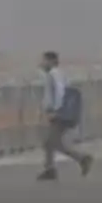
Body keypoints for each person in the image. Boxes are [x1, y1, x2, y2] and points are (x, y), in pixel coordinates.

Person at [37, 51, 93, 181]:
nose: (42, 63)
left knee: (53, 142)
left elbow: (60, 92)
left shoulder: (53, 74)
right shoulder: (57, 74)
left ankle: (82, 158)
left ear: (51, 61)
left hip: (59, 112)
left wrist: (55, 110)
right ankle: (50, 169)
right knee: (50, 143)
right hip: (60, 111)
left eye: (44, 60)